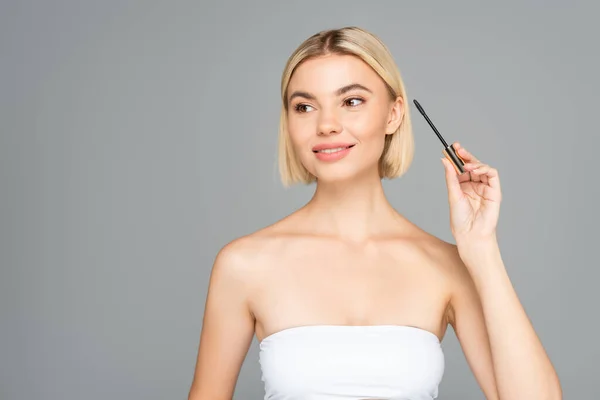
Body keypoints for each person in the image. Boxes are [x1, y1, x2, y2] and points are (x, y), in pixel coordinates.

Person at [188, 26, 561, 400]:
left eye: (351, 101)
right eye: (305, 106)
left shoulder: (447, 265)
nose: (326, 125)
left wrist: (482, 249)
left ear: (394, 114)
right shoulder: (244, 264)